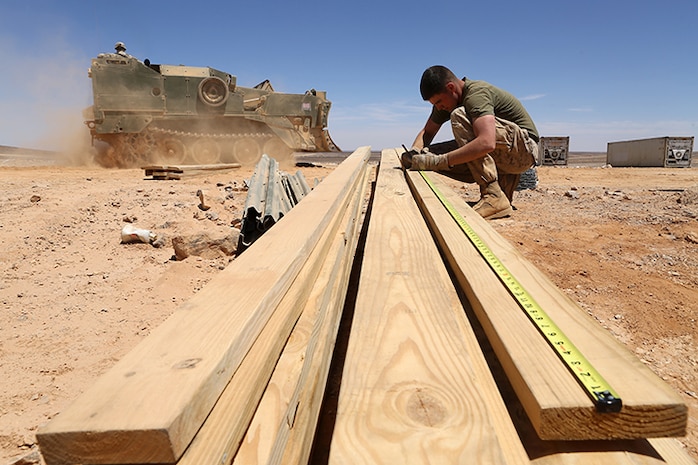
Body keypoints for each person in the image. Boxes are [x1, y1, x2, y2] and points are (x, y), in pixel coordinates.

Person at [403, 65, 539, 219]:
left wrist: (439, 162)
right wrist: (414, 153)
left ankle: (493, 196)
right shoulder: (445, 102)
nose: (439, 107)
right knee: (428, 154)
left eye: (439, 101)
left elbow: (487, 142)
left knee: (458, 116)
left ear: (451, 87)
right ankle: (501, 200)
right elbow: (427, 132)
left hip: (524, 152)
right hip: (505, 151)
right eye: (435, 104)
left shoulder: (476, 94)